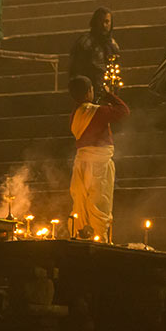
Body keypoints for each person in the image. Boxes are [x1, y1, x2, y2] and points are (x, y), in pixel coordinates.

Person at [68, 75, 130, 243]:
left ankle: (79, 238)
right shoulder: (97, 111)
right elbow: (124, 111)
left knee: (81, 204)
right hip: (98, 164)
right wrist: (109, 95)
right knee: (98, 204)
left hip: (81, 163)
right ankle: (99, 242)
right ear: (89, 92)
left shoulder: (75, 114)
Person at [68, 7, 120, 100]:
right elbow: (75, 70)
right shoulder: (85, 43)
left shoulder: (113, 45)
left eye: (107, 22)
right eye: (101, 22)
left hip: (108, 90)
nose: (104, 25)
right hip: (90, 92)